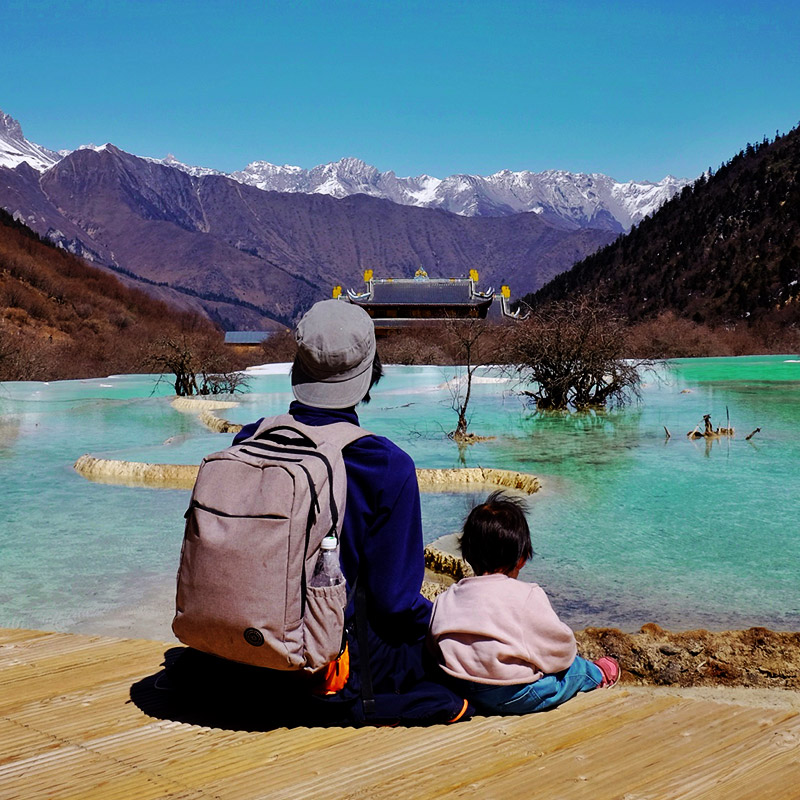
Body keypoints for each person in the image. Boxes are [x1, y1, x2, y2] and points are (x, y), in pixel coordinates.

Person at [232, 299, 470, 725]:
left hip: (245, 645)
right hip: (329, 661)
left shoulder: (250, 440)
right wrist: (450, 621)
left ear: (297, 368)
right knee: (444, 676)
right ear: (369, 374)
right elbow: (395, 603)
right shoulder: (384, 463)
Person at [427, 491, 619, 715]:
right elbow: (562, 650)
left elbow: (434, 646)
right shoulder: (527, 595)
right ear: (522, 558)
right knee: (574, 669)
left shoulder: (447, 597)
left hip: (459, 689)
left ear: (467, 555)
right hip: (513, 696)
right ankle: (598, 674)